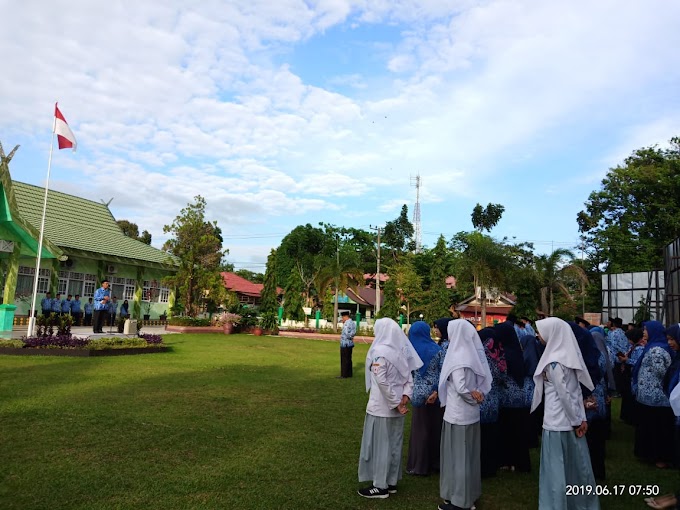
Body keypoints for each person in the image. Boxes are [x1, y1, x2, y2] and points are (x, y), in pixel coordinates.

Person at [531, 317, 599, 510]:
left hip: (557, 422)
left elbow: (564, 396)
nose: (538, 335)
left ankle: (556, 505)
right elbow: (576, 391)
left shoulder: (554, 362)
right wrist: (580, 418)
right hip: (571, 421)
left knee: (556, 472)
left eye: (541, 332)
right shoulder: (568, 357)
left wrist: (578, 421)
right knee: (577, 469)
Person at [357, 318, 422, 498]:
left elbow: (381, 380)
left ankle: (380, 485)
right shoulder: (400, 354)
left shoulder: (380, 352)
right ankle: (391, 481)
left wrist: (396, 403)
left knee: (381, 446)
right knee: (394, 445)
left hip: (382, 408)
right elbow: (410, 378)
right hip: (396, 408)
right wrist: (404, 397)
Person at [438, 319, 492, 510]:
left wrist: (474, 398)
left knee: (458, 458)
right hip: (470, 414)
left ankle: (460, 501)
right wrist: (478, 396)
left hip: (458, 415)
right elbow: (480, 382)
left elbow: (461, 387)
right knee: (468, 457)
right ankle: (465, 494)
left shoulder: (457, 355)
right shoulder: (471, 354)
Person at [633, 320, 674, 468]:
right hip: (648, 398)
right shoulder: (653, 347)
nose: (644, 333)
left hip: (657, 399)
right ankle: (649, 455)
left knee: (657, 430)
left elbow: (663, 373)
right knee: (650, 428)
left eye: (646, 330)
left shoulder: (657, 350)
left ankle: (659, 458)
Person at [569, 322, 607, 480]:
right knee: (596, 440)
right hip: (597, 398)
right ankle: (597, 472)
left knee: (585, 439)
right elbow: (602, 372)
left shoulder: (575, 356)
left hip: (585, 401)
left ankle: (585, 474)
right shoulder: (597, 353)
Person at [406, 321, 444, 476]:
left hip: (418, 395)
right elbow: (443, 373)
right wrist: (436, 390)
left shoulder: (411, 351)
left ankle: (419, 466)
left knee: (420, 431)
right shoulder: (437, 349)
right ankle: (435, 463)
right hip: (435, 395)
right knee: (435, 429)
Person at [495, 320, 532, 473]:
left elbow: (501, 374)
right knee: (519, 432)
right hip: (521, 398)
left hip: (508, 398)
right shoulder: (517, 350)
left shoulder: (505, 354)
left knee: (507, 431)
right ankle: (521, 463)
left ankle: (508, 461)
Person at [478, 327, 506, 478]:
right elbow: (503, 375)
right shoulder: (499, 353)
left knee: (480, 436)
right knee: (491, 434)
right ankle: (491, 466)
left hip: (480, 398)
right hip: (494, 399)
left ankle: (480, 466)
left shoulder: (479, 354)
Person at [339, 310, 356, 378]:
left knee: (344, 359)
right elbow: (354, 332)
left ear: (346, 316)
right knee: (349, 359)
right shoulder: (352, 322)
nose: (342, 319)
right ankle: (349, 374)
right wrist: (351, 337)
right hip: (350, 344)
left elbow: (346, 333)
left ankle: (344, 374)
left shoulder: (346, 323)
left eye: (343, 317)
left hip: (345, 343)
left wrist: (349, 337)